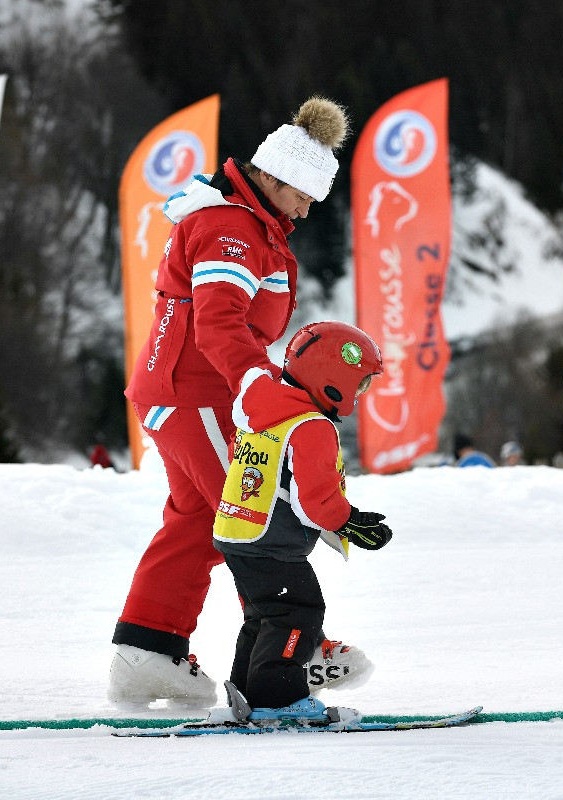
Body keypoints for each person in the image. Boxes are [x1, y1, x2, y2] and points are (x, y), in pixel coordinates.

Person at [108, 97, 368, 707]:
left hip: (180, 389)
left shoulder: (252, 226)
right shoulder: (232, 229)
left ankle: (148, 650)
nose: (307, 210)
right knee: (254, 516)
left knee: (200, 520)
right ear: (275, 179)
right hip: (197, 390)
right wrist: (258, 385)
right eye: (303, 196)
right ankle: (297, 650)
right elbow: (220, 324)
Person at [208, 321, 391, 722]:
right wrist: (352, 522)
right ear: (333, 379)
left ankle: (247, 697)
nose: (360, 395)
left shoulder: (268, 407)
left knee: (263, 617)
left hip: (238, 533)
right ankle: (280, 701)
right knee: (298, 612)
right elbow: (316, 502)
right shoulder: (311, 426)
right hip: (272, 543)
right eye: (360, 384)